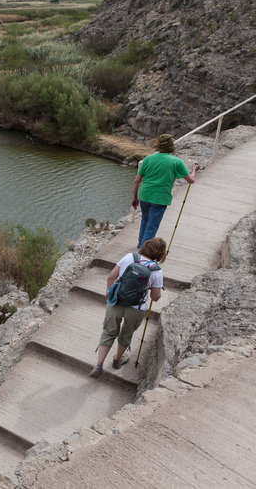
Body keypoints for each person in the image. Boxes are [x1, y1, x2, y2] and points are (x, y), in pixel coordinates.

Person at [89, 237, 166, 378]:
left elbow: (111, 277)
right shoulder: (157, 271)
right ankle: (117, 360)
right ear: (161, 254)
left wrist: (108, 293)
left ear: (146, 246)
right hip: (136, 308)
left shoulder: (129, 257)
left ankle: (98, 365)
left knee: (108, 332)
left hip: (117, 301)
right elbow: (155, 297)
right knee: (126, 333)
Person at [132, 134, 199, 247]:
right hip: (160, 198)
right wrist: (194, 170)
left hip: (144, 194)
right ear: (171, 146)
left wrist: (135, 197)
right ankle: (142, 255)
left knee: (145, 219)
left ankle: (140, 242)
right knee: (152, 226)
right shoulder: (176, 162)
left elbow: (136, 181)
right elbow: (191, 180)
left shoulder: (148, 158)